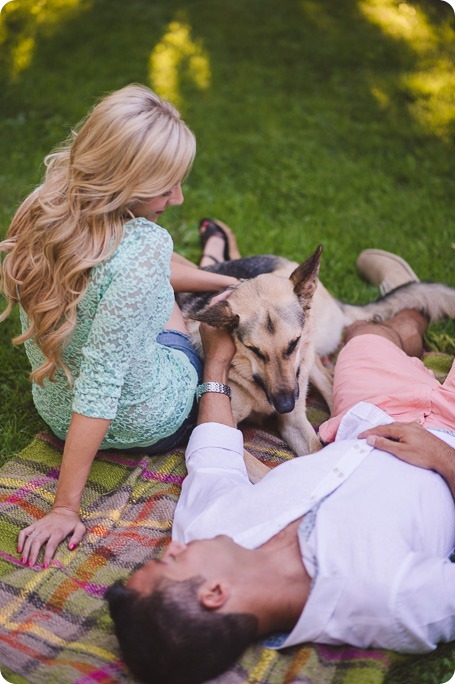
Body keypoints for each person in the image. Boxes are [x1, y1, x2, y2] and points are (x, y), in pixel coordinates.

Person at [106, 252, 455, 684]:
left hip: (366, 412)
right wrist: (445, 460)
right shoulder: (390, 600)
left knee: (364, 335)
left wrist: (214, 364)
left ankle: (408, 309)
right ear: (215, 593)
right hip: (449, 439)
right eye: (167, 564)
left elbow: (215, 447)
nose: (168, 546)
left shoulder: (202, 528)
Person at [0, 84, 241, 568]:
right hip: (151, 421)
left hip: (58, 414)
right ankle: (224, 268)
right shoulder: (144, 250)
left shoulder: (43, 210)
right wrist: (65, 507)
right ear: (122, 179)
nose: (178, 197)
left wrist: (225, 280)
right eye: (165, 185)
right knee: (159, 291)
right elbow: (101, 385)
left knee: (149, 279)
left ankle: (224, 267)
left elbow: (135, 272)